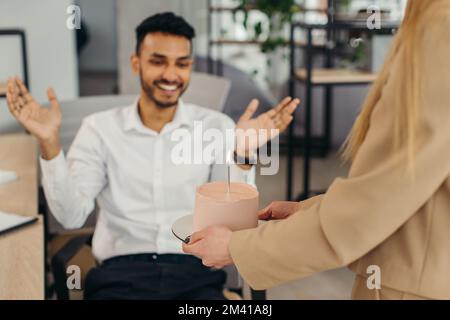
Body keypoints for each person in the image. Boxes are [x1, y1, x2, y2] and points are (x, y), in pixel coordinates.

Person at [5, 12, 299, 299]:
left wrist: (243, 152)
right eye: (158, 61)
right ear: (136, 63)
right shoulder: (99, 129)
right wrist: (49, 143)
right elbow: (70, 216)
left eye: (181, 64)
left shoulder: (216, 126)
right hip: (119, 275)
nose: (171, 75)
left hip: (195, 271)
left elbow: (234, 219)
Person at [183, 0, 450, 300]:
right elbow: (404, 189)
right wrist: (308, 211)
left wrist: (238, 248)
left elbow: (374, 204)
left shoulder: (441, 30)